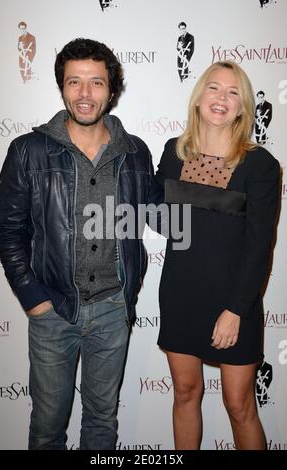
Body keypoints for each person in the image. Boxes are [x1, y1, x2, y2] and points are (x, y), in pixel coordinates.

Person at [0, 38, 161, 450]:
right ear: (62, 87)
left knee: (102, 423)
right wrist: (33, 297)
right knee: (47, 428)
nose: (85, 95)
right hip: (53, 310)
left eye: (96, 83)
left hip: (112, 308)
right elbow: (7, 230)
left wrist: (209, 176)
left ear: (111, 89)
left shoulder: (135, 152)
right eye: (75, 83)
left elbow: (159, 213)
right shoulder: (28, 151)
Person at [155, 61, 280, 450]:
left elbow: (260, 244)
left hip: (233, 301)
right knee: (185, 394)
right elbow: (163, 222)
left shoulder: (259, 164)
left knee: (239, 405)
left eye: (232, 92)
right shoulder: (174, 154)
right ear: (198, 98)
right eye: (214, 88)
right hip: (181, 295)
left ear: (243, 107)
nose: (221, 99)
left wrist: (235, 310)